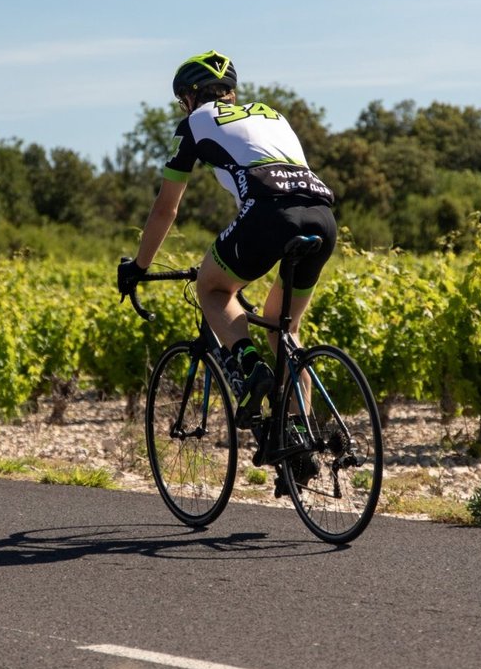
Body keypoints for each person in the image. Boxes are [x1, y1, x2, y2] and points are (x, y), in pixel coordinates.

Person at [118, 51, 339, 427]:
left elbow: (165, 209)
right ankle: (301, 436)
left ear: (191, 96)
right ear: (230, 92)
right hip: (322, 214)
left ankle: (252, 368)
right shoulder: (272, 114)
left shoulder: (194, 123)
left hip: (268, 213)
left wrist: (139, 266)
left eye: (183, 100)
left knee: (213, 287)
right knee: (284, 328)